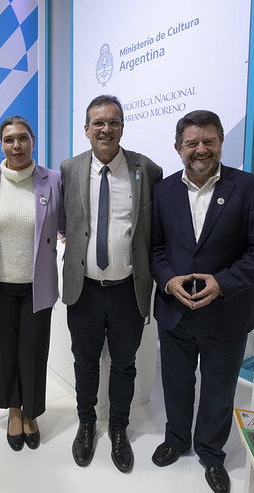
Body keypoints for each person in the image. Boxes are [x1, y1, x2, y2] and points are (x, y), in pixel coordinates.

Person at [149, 110, 254, 493]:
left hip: (227, 311)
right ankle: (176, 440)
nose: (201, 149)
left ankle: (210, 452)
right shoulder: (163, 190)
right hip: (175, 310)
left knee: (219, 390)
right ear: (178, 148)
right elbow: (156, 248)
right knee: (175, 384)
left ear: (221, 142)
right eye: (192, 143)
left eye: (209, 141)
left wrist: (223, 283)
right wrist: (167, 280)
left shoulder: (248, 187)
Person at [60, 94, 162, 472]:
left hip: (127, 291)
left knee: (124, 364)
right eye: (98, 123)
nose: (106, 129)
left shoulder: (146, 169)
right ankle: (86, 423)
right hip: (83, 289)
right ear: (86, 129)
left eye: (113, 122)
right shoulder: (69, 169)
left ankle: (119, 427)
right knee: (85, 362)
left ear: (122, 127)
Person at [0, 116, 64, 451]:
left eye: (23, 138)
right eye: (9, 140)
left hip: (36, 285)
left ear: (33, 141)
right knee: (3, 352)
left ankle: (31, 412)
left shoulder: (52, 180)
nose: (16, 145)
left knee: (34, 352)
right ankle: (13, 410)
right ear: (1, 145)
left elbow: (66, 222)